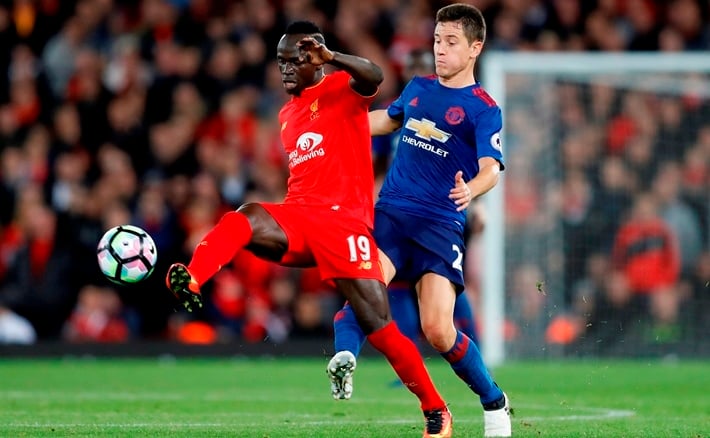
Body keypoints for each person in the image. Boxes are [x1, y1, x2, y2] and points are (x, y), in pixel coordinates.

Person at [165, 21, 452, 438]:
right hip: (299, 216)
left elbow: (375, 76)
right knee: (245, 217)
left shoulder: (339, 86)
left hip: (344, 222)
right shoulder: (287, 114)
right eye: (280, 62)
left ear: (313, 59)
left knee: (380, 325)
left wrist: (332, 55)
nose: (284, 70)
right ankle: (192, 278)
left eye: (293, 61)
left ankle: (436, 410)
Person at [327, 4, 511, 437]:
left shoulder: (484, 108)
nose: (440, 49)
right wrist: (334, 128)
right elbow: (383, 122)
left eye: (451, 42)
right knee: (364, 292)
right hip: (391, 215)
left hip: (438, 225)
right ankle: (345, 358)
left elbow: (491, 167)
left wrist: (474, 188)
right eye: (436, 40)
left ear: (475, 48)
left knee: (438, 330)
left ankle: (494, 402)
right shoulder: (417, 89)